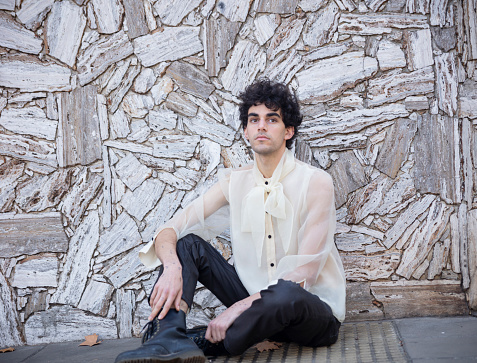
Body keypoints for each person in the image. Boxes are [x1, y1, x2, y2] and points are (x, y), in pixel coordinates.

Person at [115, 79, 346, 363]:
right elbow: (170, 229)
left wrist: (238, 308)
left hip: (310, 313)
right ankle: (168, 338)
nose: (261, 126)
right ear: (246, 131)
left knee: (286, 292)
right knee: (187, 244)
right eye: (254, 119)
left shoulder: (317, 182)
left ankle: (212, 343)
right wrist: (173, 267)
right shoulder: (234, 182)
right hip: (257, 312)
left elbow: (304, 275)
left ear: (288, 131)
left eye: (271, 119)